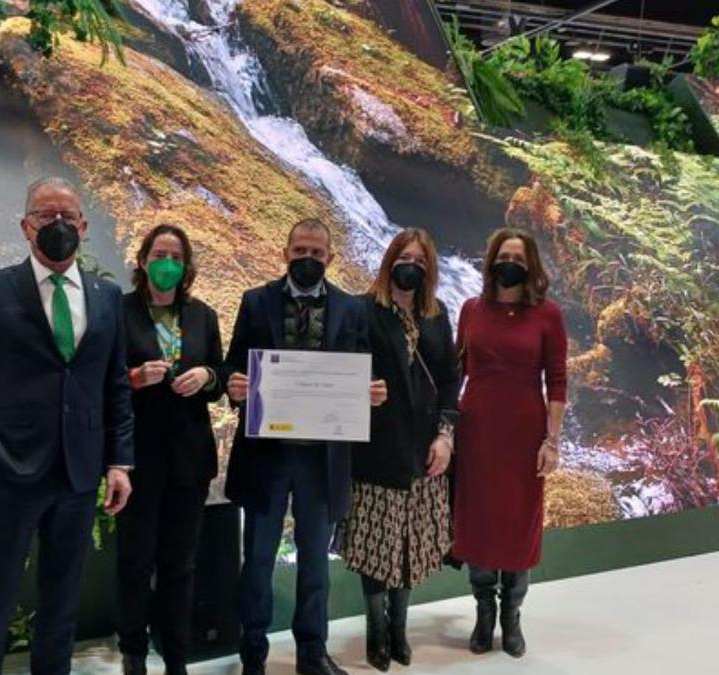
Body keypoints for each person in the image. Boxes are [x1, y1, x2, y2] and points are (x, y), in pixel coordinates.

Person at [0, 177, 135, 675]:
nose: (59, 225)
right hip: (10, 471)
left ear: (84, 227)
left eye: (68, 216)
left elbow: (115, 385)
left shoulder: (108, 297)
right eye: (47, 216)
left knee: (62, 601)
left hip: (78, 472)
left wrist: (119, 462)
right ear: (27, 226)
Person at [223, 218, 387, 675]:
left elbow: (359, 372)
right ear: (285, 252)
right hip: (266, 457)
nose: (307, 260)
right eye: (300, 251)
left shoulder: (352, 310)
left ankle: (311, 653)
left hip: (323, 459)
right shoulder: (255, 302)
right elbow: (235, 363)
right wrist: (234, 383)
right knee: (257, 560)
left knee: (315, 562)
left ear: (330, 258)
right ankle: (252, 652)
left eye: (316, 253)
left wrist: (370, 394)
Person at [341, 229, 459, 671]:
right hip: (375, 451)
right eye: (405, 257)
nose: (412, 265)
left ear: (429, 270)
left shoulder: (437, 314)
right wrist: (358, 391)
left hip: (424, 452)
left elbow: (450, 378)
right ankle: (375, 629)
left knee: (410, 544)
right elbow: (341, 370)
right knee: (376, 545)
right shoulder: (361, 310)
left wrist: (446, 435)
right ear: (390, 260)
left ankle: (399, 628)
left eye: (421, 261)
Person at [452, 226, 567, 659]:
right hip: (476, 429)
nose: (511, 264)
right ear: (491, 261)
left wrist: (551, 442)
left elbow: (557, 382)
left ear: (531, 265)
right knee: (477, 520)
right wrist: (443, 428)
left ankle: (511, 616)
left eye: (519, 258)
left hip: (523, 434)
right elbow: (456, 371)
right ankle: (483, 612)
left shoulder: (548, 315)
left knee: (519, 523)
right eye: (504, 256)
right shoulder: (470, 309)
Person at [116, 224, 225, 675]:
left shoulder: (203, 315)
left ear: (186, 266)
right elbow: (100, 382)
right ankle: (134, 652)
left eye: (177, 257)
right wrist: (135, 379)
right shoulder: (117, 312)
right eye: (160, 254)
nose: (168, 264)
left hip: (189, 459)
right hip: (137, 458)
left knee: (180, 564)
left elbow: (220, 375)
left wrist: (207, 377)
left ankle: (176, 657)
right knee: (135, 562)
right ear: (143, 261)